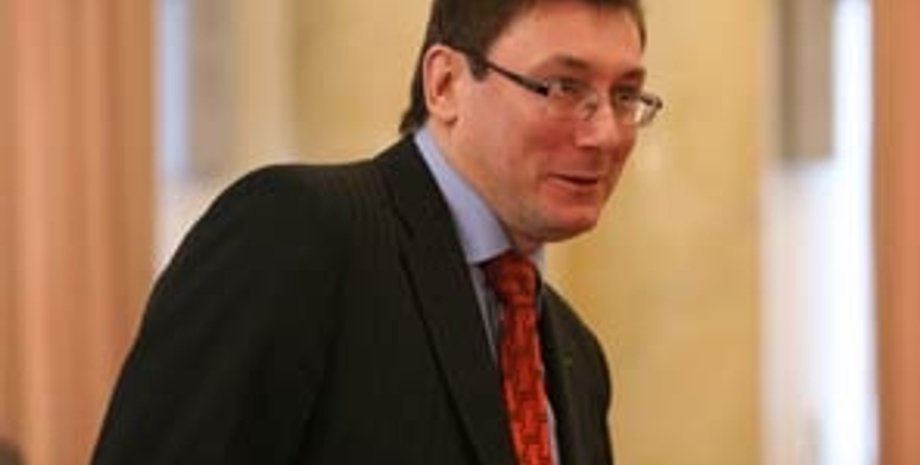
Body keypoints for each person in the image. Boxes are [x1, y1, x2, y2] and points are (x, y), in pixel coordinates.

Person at [91, 0, 662, 463]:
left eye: (624, 95)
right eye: (563, 87)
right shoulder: (296, 232)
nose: (606, 134)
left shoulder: (577, 356)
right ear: (445, 84)